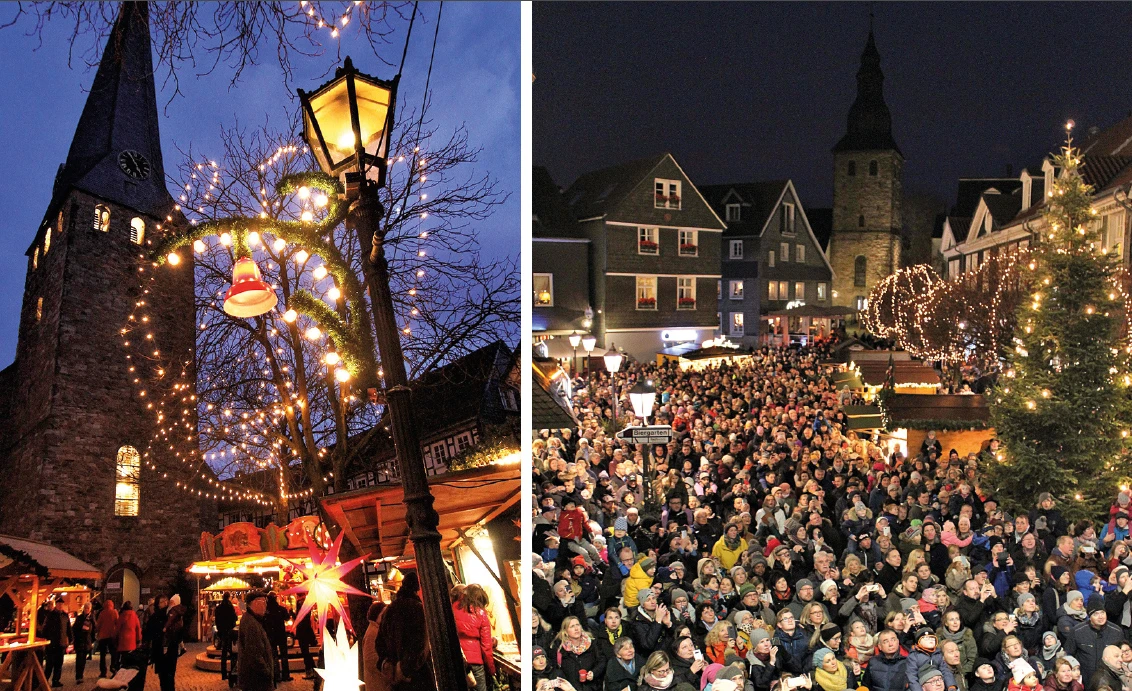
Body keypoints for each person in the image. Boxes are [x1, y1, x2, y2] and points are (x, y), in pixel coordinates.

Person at [374, 572, 434, 691]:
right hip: (417, 677)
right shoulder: (418, 609)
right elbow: (419, 644)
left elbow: (379, 643)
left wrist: (388, 665)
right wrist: (404, 669)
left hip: (397, 681)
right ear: (418, 589)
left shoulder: (389, 610)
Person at [453, 584, 496, 691]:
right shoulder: (481, 614)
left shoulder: (453, 608)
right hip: (475, 663)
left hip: (458, 660)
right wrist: (491, 670)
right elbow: (486, 647)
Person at [238, 590, 275, 691]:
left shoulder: (251, 620)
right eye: (263, 602)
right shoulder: (251, 624)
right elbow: (255, 655)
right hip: (256, 682)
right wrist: (267, 672)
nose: (266, 605)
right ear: (255, 603)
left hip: (253, 680)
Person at [157, 594, 187, 691]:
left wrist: (165, 628)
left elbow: (169, 622)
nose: (167, 604)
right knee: (170, 671)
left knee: (167, 673)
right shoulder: (178, 612)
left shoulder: (172, 611)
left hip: (169, 642)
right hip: (173, 642)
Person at [41, 599, 71, 687]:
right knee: (49, 663)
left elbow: (68, 628)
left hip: (61, 643)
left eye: (61, 604)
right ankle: (44, 680)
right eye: (58, 604)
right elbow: (45, 628)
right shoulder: (50, 615)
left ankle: (56, 680)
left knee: (59, 663)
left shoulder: (65, 616)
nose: (60, 606)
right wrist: (46, 639)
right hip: (52, 643)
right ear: (56, 605)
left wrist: (70, 638)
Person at [362, 601, 390, 691]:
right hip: (378, 684)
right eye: (383, 614)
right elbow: (371, 660)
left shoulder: (377, 630)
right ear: (377, 615)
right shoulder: (373, 633)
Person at [264, 593, 292, 682]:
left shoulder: (266, 611)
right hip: (281, 634)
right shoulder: (281, 609)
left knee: (273, 655)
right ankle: (285, 675)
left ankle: (276, 675)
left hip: (271, 635)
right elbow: (287, 618)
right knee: (284, 655)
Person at [215, 592, 238, 680]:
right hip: (230, 631)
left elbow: (217, 620)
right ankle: (232, 672)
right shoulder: (230, 607)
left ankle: (223, 673)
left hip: (222, 632)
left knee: (223, 653)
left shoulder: (219, 608)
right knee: (233, 653)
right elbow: (234, 618)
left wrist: (219, 629)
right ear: (229, 597)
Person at [96, 598, 120, 677]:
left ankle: (103, 672)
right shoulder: (115, 612)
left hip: (103, 636)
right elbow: (118, 623)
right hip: (112, 636)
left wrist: (98, 632)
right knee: (113, 653)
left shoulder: (102, 613)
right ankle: (113, 667)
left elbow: (98, 625)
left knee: (102, 655)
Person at [116, 601, 141, 668]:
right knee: (130, 655)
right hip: (132, 639)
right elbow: (138, 628)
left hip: (123, 639)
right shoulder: (134, 615)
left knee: (123, 656)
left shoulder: (122, 615)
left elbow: (117, 628)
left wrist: (116, 637)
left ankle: (123, 668)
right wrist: (138, 639)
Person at [73, 602, 94, 683]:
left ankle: (81, 675)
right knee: (79, 659)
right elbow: (75, 629)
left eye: (88, 608)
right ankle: (78, 676)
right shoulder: (79, 618)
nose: (86, 610)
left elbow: (94, 628)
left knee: (83, 660)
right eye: (85, 608)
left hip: (87, 641)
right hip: (80, 641)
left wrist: (92, 640)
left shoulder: (91, 618)